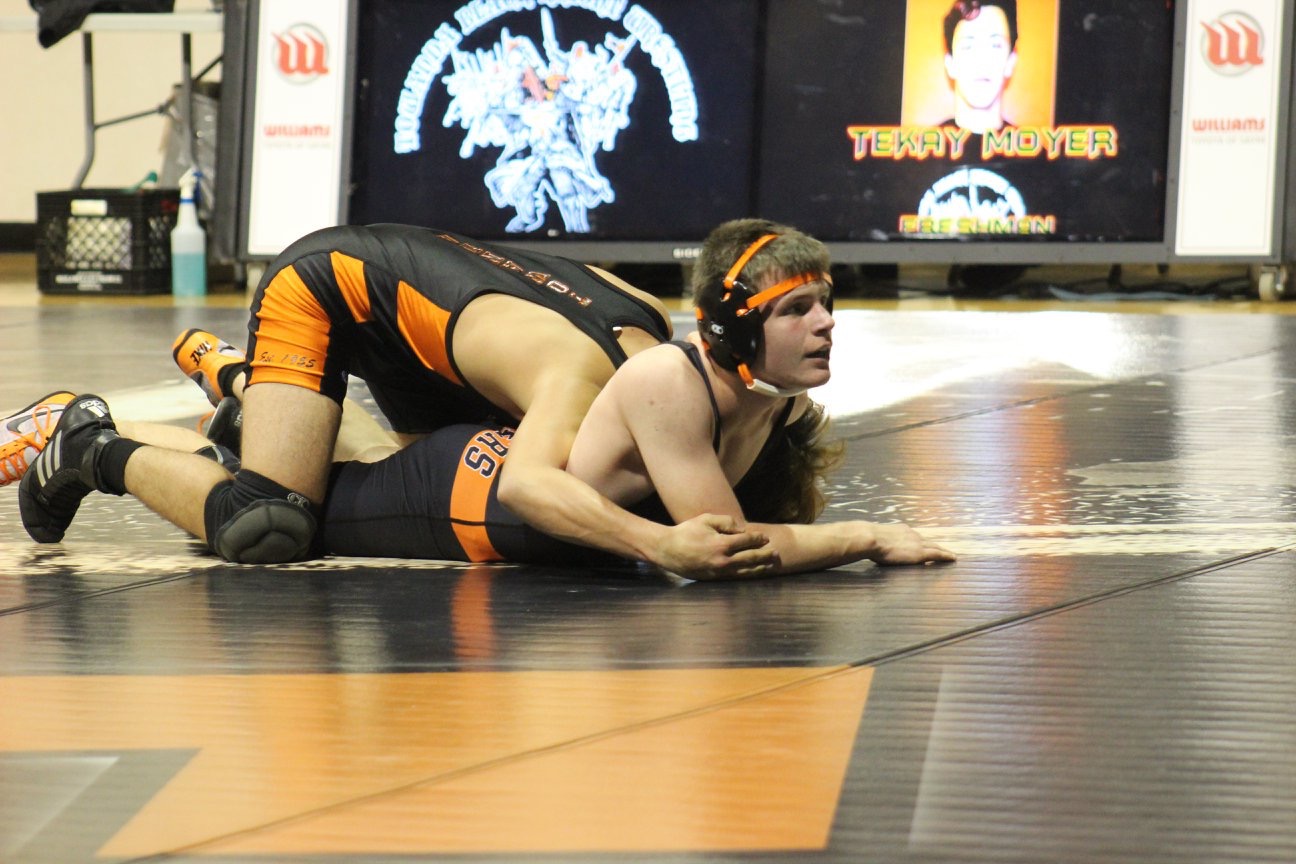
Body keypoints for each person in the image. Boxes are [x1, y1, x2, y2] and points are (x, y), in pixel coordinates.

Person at [13, 224, 779, 580]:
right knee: (268, 520)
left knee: (394, 469)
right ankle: (85, 441)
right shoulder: (581, 385)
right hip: (328, 287)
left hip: (426, 324)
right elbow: (530, 487)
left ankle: (244, 386)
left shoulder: (653, 329)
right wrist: (655, 544)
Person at [272, 219, 956, 575]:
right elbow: (726, 548)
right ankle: (231, 384)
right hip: (467, 498)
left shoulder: (772, 396)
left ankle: (260, 406)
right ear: (737, 329)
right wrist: (866, 536)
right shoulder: (657, 381)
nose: (826, 323)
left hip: (486, 430)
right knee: (270, 522)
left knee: (366, 464)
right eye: (798, 309)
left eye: (825, 304)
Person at [942, 0, 1018, 136]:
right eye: (968, 46)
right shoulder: (919, 147)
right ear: (950, 63)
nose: (982, 60)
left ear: (1011, 61)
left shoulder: (1034, 149)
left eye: (995, 45)